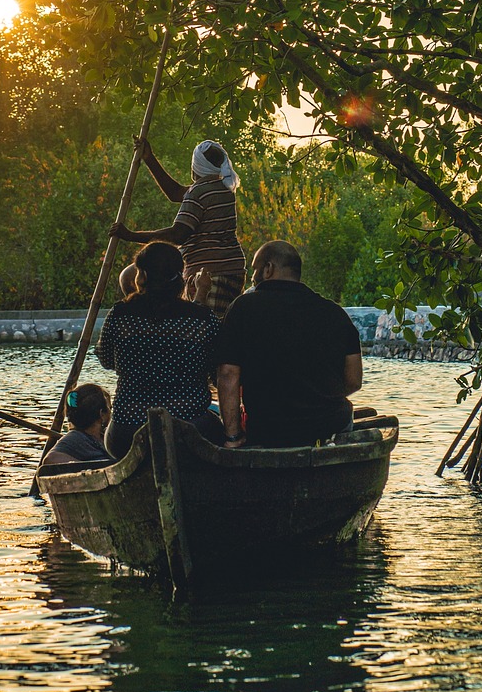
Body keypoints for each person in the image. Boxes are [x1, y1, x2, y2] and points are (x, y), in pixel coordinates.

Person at [216, 240, 362, 449]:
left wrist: (233, 436)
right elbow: (354, 381)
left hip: (269, 430)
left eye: (254, 271)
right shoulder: (335, 313)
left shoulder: (242, 308)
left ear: (268, 269)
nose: (252, 279)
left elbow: (228, 373)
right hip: (330, 426)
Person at [95, 240, 222, 458]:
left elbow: (106, 360)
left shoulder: (120, 314)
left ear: (142, 276)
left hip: (128, 430)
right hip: (192, 426)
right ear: (179, 277)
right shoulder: (203, 319)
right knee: (217, 429)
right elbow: (216, 369)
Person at [110, 138, 246, 319]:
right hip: (231, 270)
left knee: (204, 328)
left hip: (211, 274)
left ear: (195, 166)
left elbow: (178, 235)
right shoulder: (222, 188)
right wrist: (149, 159)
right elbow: (175, 193)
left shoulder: (199, 192)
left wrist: (130, 235)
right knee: (129, 275)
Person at [42, 383, 113, 465]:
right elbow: (51, 459)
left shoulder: (103, 436)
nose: (111, 413)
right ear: (102, 414)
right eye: (109, 409)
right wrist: (90, 469)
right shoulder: (76, 437)